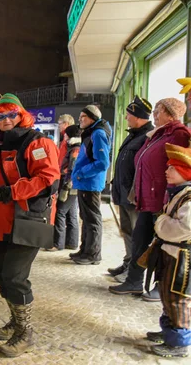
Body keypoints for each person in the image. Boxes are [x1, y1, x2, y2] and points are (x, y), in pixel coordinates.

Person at [0, 93, 60, 357]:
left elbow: (48, 179)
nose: (6, 120)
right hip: (3, 220)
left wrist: (8, 191)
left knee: (15, 276)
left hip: (30, 219)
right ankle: (16, 321)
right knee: (0, 272)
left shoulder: (38, 142)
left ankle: (25, 333)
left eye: (11, 114)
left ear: (21, 115)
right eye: (0, 116)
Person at [110, 98, 190, 300]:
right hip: (147, 199)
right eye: (154, 110)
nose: (154, 114)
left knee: (163, 246)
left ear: (171, 114)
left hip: (163, 201)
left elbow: (181, 168)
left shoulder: (178, 134)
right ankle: (134, 282)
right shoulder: (156, 135)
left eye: (158, 111)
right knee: (139, 240)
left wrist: (167, 198)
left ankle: (160, 285)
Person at [143, 143, 191, 358]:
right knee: (166, 293)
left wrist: (161, 222)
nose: (166, 170)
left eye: (172, 168)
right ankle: (168, 332)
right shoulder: (178, 194)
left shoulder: (189, 198)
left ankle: (179, 343)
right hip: (171, 253)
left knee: (178, 298)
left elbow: (183, 229)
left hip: (182, 258)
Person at [107, 96, 153, 282]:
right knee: (126, 231)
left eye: (128, 114)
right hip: (123, 193)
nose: (126, 118)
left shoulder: (147, 137)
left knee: (136, 235)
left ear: (138, 116)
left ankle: (133, 272)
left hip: (133, 197)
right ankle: (127, 262)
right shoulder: (134, 134)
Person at [70, 105, 112, 265]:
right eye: (80, 117)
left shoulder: (98, 133)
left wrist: (81, 173)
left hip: (90, 183)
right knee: (86, 218)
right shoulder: (92, 132)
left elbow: (102, 163)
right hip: (86, 183)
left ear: (93, 118)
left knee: (92, 219)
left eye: (84, 117)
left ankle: (93, 254)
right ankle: (85, 250)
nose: (80, 119)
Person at [46, 124, 81, 251]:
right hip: (74, 185)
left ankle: (58, 243)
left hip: (69, 185)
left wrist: (65, 185)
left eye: (66, 134)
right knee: (71, 214)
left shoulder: (74, 149)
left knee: (60, 212)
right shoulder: (75, 147)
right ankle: (71, 243)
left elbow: (71, 169)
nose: (64, 135)